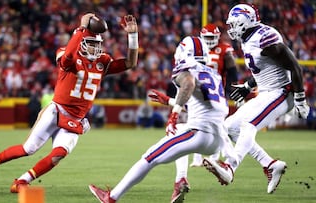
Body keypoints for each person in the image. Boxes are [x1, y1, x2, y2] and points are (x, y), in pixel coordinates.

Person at [0, 13, 139, 193]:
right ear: (82, 41)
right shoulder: (66, 53)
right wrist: (82, 29)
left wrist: (132, 36)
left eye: (97, 45)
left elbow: (130, 62)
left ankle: (22, 181)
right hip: (56, 111)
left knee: (58, 154)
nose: (95, 49)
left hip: (76, 119)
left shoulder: (102, 61)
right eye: (91, 44)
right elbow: (67, 56)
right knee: (28, 149)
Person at [89, 36, 238, 203]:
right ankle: (180, 181)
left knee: (149, 157)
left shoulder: (186, 68)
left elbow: (188, 85)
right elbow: (203, 103)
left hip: (198, 134)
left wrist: (173, 115)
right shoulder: (215, 75)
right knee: (180, 130)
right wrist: (168, 101)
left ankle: (111, 197)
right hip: (217, 140)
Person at [203, 3, 310, 194]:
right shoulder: (248, 38)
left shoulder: (264, 38)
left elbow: (295, 66)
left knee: (248, 126)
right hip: (268, 92)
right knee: (229, 128)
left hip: (282, 92)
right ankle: (270, 164)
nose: (231, 28)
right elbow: (264, 69)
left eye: (234, 24)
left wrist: (300, 99)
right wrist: (247, 86)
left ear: (244, 22)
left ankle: (230, 167)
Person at [189, 23, 238, 167]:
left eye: (212, 37)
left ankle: (215, 156)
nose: (210, 40)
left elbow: (232, 72)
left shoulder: (224, 49)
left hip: (217, 92)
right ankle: (198, 158)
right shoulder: (196, 49)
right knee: (195, 122)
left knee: (217, 124)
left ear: (217, 37)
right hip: (198, 92)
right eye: (207, 37)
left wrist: (232, 89)